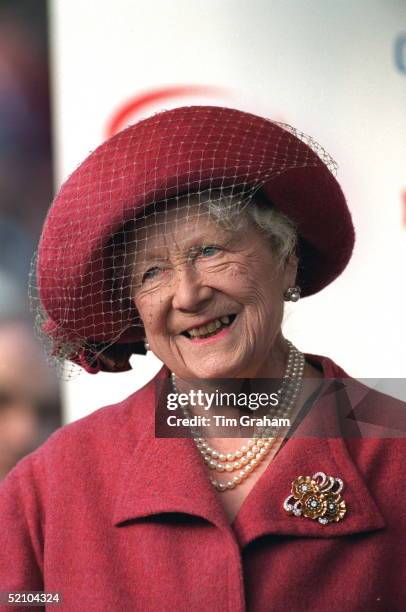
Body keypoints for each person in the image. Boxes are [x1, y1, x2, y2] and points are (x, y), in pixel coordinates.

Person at [0, 106, 404, 611]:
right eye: (151, 274)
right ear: (134, 308)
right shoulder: (51, 488)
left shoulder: (396, 455)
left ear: (287, 258)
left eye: (210, 251)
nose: (187, 295)